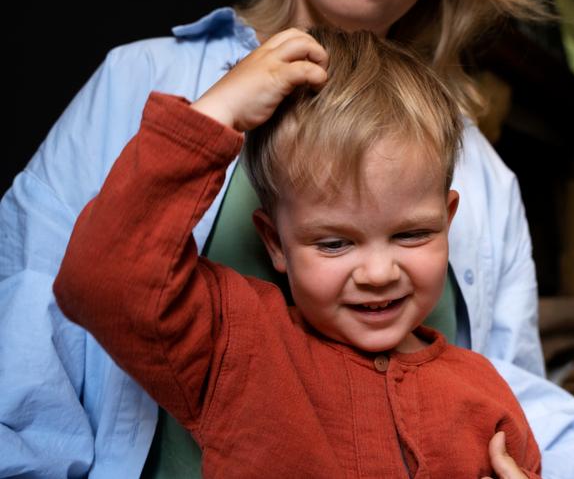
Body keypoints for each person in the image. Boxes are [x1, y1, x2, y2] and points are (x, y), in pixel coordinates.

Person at [0, 0, 574, 478]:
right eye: (335, 239)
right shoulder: (144, 86)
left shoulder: (485, 174)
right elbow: (52, 317)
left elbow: (518, 400)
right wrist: (213, 118)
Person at [53, 27, 542, 478]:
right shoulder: (237, 342)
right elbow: (101, 279)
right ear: (274, 243)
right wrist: (216, 114)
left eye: (412, 235)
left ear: (447, 222)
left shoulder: (484, 392)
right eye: (334, 243)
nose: (377, 272)